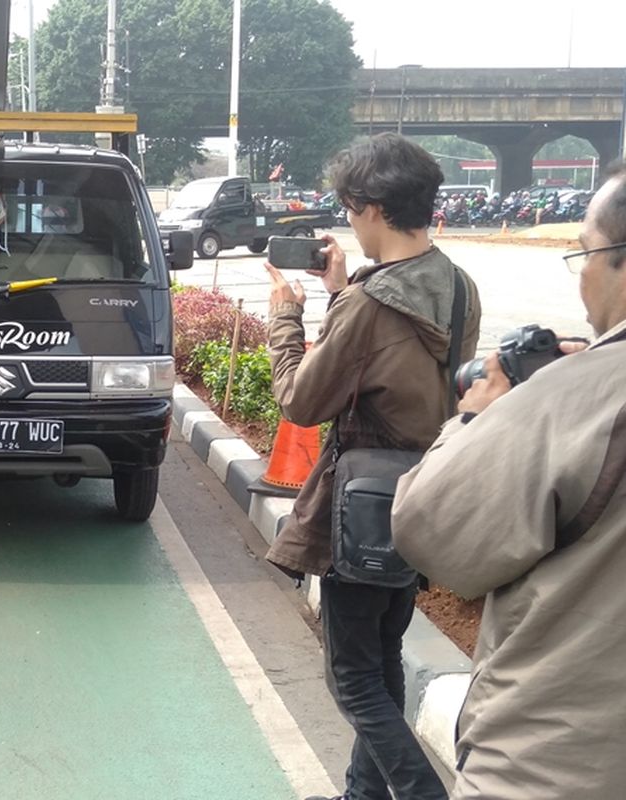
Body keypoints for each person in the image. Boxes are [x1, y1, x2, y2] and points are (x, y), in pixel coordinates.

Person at [391, 161, 626, 799]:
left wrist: (475, 419)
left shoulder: (583, 393)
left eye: (584, 253)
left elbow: (435, 531)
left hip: (557, 766)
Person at [262, 133, 482, 800]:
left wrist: (286, 321)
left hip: (362, 508)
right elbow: (399, 375)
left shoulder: (370, 302)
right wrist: (342, 290)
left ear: (372, 207)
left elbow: (303, 400)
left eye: (349, 209)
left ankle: (422, 794)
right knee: (381, 655)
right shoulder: (457, 285)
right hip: (423, 493)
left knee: (352, 678)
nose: (348, 223)